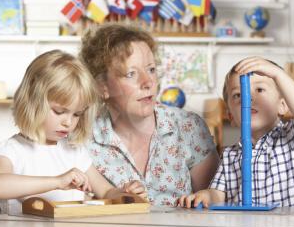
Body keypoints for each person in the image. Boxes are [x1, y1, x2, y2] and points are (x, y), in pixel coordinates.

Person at [0, 50, 146, 215]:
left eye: (77, 114)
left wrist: (126, 195)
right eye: (59, 111)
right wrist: (57, 181)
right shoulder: (12, 150)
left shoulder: (74, 152)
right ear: (32, 101)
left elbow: (106, 192)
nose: (68, 122)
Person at [79, 24, 220, 206]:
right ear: (101, 87)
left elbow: (216, 203)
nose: (148, 82)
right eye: (131, 74)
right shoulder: (83, 137)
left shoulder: (189, 127)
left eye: (151, 69)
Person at [179, 56, 294, 208]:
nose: (248, 98)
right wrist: (205, 195)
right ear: (231, 117)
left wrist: (278, 74)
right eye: (238, 95)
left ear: (283, 105)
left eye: (260, 89)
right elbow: (218, 194)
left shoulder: (293, 137)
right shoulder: (230, 156)